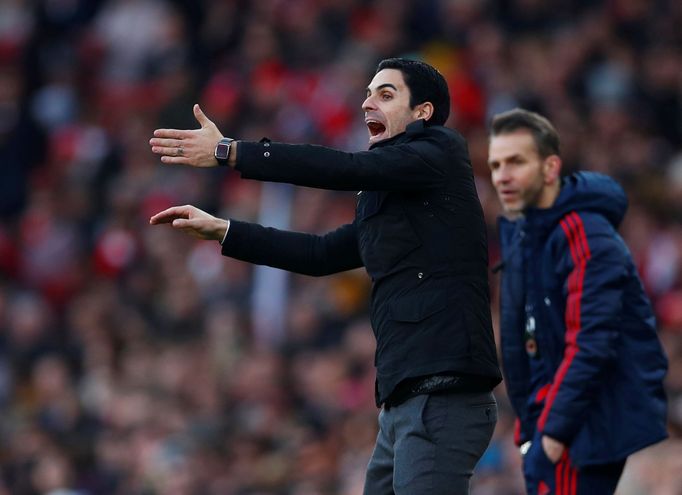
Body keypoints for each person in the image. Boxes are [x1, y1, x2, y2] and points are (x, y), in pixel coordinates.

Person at [149, 58, 501, 494]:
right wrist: (224, 230)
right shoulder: (390, 197)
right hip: (403, 402)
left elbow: (346, 168)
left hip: (442, 394)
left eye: (386, 94)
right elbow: (320, 254)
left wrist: (230, 151)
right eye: (368, 93)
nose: (367, 102)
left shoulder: (441, 151)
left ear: (423, 112)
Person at [488, 108, 668, 495]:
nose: (503, 176)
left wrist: (552, 435)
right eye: (496, 164)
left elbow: (591, 341)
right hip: (548, 427)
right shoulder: (524, 238)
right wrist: (529, 428)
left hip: (576, 433)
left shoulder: (583, 231)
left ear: (550, 167)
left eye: (516, 162)